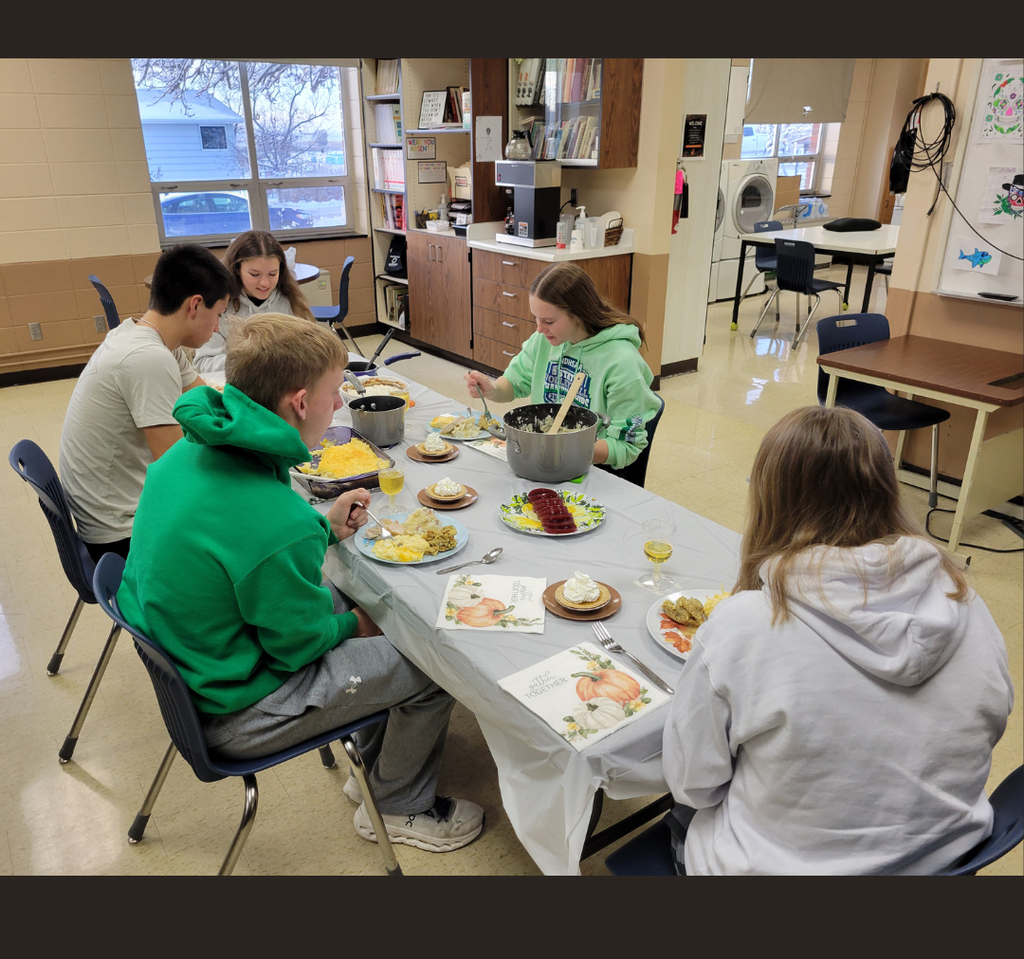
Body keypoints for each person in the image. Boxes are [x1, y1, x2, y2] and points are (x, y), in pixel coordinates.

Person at [116, 312, 484, 853]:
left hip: (195, 665)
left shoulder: (189, 452)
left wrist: (322, 527)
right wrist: (355, 626)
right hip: (237, 711)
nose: (340, 405)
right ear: (300, 402)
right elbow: (296, 646)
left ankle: (373, 759)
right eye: (336, 392)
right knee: (431, 661)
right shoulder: (274, 522)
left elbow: (243, 541)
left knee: (359, 606)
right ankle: (398, 803)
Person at [662, 405, 1013, 875]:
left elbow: (695, 786)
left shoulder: (744, 623)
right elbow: (991, 720)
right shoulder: (964, 600)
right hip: (943, 862)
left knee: (682, 815)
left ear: (770, 498)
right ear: (887, 488)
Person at [59, 243, 233, 563]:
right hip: (120, 537)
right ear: (195, 305)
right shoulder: (147, 359)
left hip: (115, 511)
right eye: (219, 314)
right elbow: (177, 468)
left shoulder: (148, 336)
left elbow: (207, 399)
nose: (218, 327)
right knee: (247, 525)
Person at [463, 262, 662, 474]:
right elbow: (514, 381)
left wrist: (565, 452)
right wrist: (492, 390)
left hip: (594, 468)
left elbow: (627, 446)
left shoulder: (622, 362)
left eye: (548, 320)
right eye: (536, 319)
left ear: (578, 314)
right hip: (547, 460)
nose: (540, 329)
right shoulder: (544, 340)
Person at [193, 230, 316, 375]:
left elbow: (309, 352)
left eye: (272, 274)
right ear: (237, 269)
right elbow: (203, 364)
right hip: (237, 387)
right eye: (254, 274)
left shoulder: (290, 301)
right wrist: (253, 362)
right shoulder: (218, 306)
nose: (265, 283)